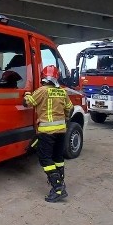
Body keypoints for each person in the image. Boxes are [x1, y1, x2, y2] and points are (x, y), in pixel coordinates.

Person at [23, 65, 73, 202]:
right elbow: (70, 108)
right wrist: (65, 119)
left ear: (44, 77)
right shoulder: (62, 92)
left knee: (45, 158)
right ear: (56, 77)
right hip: (61, 130)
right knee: (57, 157)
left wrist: (27, 94)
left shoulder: (42, 91)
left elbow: (28, 103)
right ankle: (61, 182)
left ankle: (57, 188)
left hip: (47, 132)